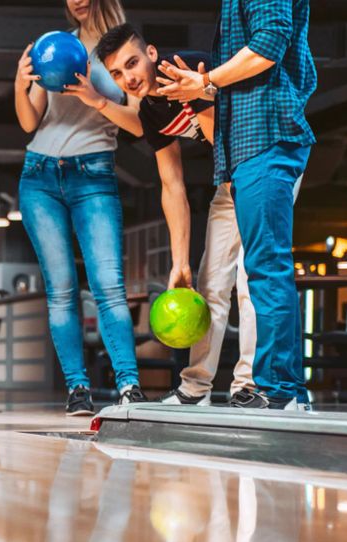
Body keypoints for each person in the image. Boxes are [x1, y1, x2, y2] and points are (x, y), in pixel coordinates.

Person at [157, 0, 316, 410]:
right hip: (250, 147)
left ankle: (280, 391)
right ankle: (283, 390)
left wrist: (206, 82)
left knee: (266, 267)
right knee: (263, 268)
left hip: (267, 136)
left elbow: (270, 42)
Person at [94, 24, 257, 407]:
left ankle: (250, 385)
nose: (128, 78)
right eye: (116, 73)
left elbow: (223, 140)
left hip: (262, 169)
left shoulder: (187, 68)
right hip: (230, 181)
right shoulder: (151, 111)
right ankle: (196, 388)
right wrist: (179, 263)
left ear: (151, 54)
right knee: (209, 283)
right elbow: (172, 186)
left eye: (131, 63)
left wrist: (196, 95)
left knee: (250, 281)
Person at [15, 0, 146, 417]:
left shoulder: (123, 49)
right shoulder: (57, 45)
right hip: (39, 176)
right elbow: (29, 122)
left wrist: (96, 98)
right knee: (62, 290)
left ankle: (129, 385)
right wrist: (20, 84)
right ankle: (77, 389)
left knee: (108, 286)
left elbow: (138, 124)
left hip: (94, 174)